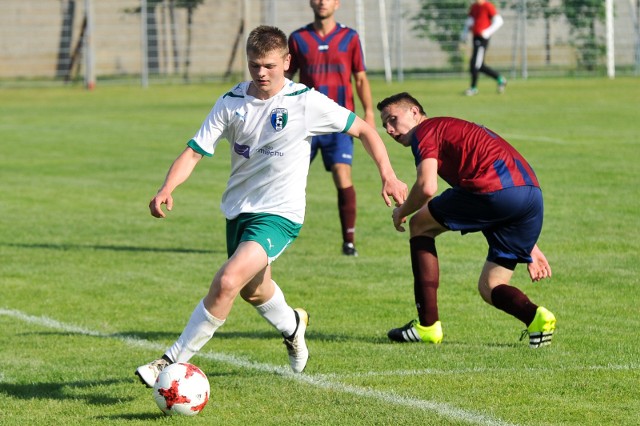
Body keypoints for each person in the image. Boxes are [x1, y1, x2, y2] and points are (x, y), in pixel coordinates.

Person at [135, 26, 407, 386]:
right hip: (239, 211)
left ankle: (168, 361)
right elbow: (194, 151)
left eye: (268, 65)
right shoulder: (231, 103)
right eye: (253, 65)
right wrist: (167, 186)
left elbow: (366, 130)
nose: (261, 73)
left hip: (280, 214)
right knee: (254, 290)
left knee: (229, 280)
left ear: (287, 62)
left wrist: (388, 174)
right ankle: (294, 325)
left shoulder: (305, 101)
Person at [376, 92, 556, 348]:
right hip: (530, 196)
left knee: (419, 225)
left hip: (495, 192)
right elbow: (496, 197)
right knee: (490, 285)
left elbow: (427, 187)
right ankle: (537, 318)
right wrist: (528, 246)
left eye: (393, 119)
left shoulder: (425, 131)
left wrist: (402, 210)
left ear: (415, 112)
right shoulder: (448, 129)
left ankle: (427, 326)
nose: (390, 130)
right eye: (384, 125)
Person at [286, 0, 375, 257]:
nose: (322, 2)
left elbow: (360, 78)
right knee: (289, 178)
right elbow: (285, 79)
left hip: (339, 122)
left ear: (337, 3)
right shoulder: (298, 38)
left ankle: (349, 241)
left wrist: (368, 111)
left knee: (342, 176)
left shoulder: (350, 37)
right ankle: (275, 236)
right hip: (305, 123)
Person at [460, 0, 507, 96]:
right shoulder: (474, 7)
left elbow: (499, 21)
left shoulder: (488, 6)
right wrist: (464, 33)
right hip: (475, 37)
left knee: (475, 64)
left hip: (482, 39)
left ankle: (473, 88)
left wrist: (487, 32)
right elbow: (470, 21)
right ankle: (500, 79)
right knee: (479, 65)